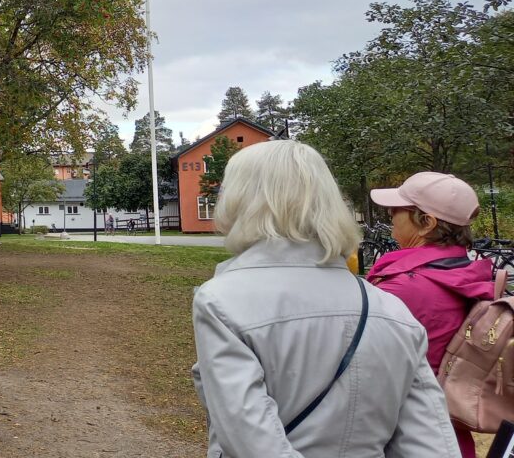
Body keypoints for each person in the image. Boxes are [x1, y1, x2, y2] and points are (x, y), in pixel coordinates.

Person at [192, 141, 460, 457]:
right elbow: (432, 445)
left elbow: (250, 441)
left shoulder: (223, 302)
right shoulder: (392, 310)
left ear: (239, 200)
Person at [368, 172, 494, 458]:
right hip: (447, 435)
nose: (391, 215)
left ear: (427, 223)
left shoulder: (403, 288)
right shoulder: (464, 273)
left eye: (398, 210)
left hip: (402, 436)